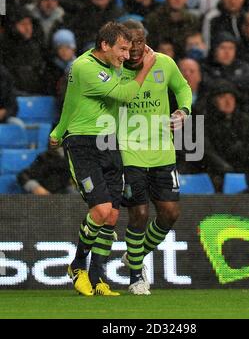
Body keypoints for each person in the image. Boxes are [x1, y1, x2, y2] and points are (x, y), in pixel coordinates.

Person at [49, 22, 156, 297]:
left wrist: (57, 130)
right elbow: (125, 94)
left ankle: (97, 278)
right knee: (100, 210)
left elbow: (71, 101)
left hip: (109, 143)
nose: (126, 54)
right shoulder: (85, 67)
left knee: (111, 216)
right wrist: (146, 67)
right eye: (122, 49)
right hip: (83, 143)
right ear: (105, 45)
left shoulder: (110, 66)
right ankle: (77, 266)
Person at [119, 20, 192, 295]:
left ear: (145, 41)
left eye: (139, 42)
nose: (135, 49)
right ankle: (136, 276)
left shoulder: (164, 63)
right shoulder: (114, 67)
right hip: (128, 148)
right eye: (129, 43)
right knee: (138, 213)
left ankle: (134, 255)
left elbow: (183, 88)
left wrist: (183, 110)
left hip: (162, 150)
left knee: (170, 213)